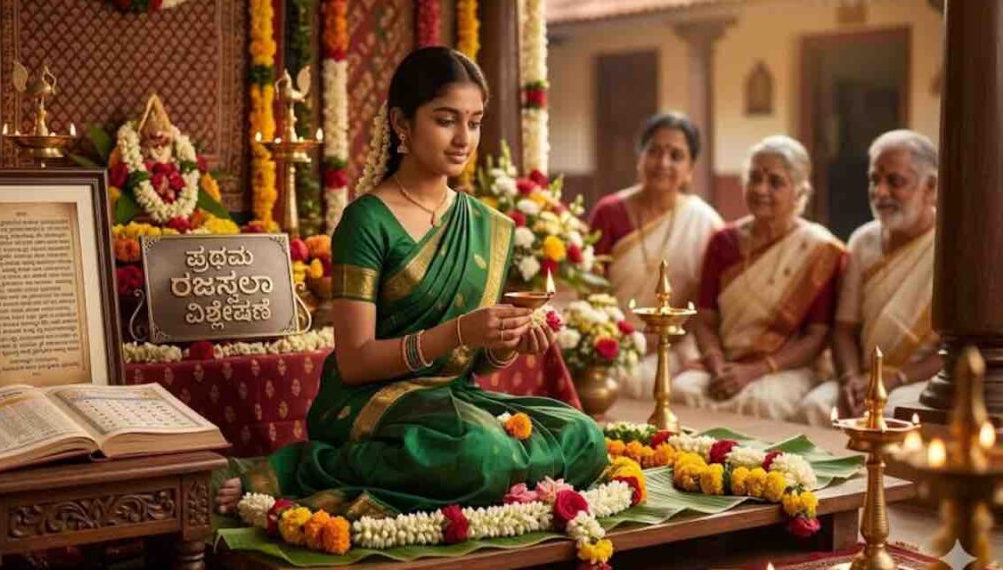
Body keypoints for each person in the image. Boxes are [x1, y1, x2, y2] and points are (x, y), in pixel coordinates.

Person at [213, 47, 606, 518]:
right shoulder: (368, 221)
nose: (464, 138)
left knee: (583, 435)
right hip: (370, 401)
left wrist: (507, 342)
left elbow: (477, 367)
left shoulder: (487, 225)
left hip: (453, 403)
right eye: (446, 120)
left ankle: (461, 471)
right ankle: (308, 468)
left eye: (475, 122)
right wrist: (461, 330)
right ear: (402, 124)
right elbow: (355, 361)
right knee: (480, 452)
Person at [672, 135, 845, 420]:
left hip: (786, 367)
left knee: (762, 402)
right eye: (754, 178)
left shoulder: (819, 249)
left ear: (800, 192)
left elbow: (816, 337)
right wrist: (717, 366)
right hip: (725, 363)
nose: (761, 189)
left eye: (775, 182)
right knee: (683, 392)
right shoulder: (723, 242)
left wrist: (756, 370)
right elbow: (704, 318)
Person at [799, 130, 941, 425]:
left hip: (921, 380)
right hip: (864, 376)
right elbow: (843, 329)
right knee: (814, 408)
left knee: (889, 416)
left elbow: (961, 348)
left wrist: (893, 380)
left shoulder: (954, 247)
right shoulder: (863, 241)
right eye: (874, 180)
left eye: (895, 181)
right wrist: (850, 379)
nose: (880, 192)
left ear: (931, 186)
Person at [589, 113, 723, 400]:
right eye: (655, 151)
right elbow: (591, 292)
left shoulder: (704, 222)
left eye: (676, 155)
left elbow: (707, 305)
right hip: (614, 339)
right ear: (640, 156)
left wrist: (656, 340)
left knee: (675, 387)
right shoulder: (609, 212)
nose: (663, 163)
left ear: (689, 169)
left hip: (676, 342)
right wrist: (623, 340)